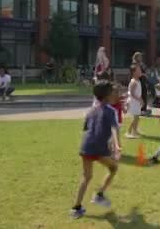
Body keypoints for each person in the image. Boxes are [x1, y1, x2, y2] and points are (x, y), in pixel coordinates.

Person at [70, 81, 121, 219]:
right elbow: (114, 129)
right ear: (106, 96)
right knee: (114, 168)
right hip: (98, 148)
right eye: (112, 92)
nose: (114, 94)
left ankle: (76, 208)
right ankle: (99, 195)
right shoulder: (111, 111)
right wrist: (116, 146)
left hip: (86, 146)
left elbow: (85, 128)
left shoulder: (91, 110)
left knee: (86, 177)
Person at [125, 64, 143, 139]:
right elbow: (132, 93)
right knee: (135, 118)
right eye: (138, 70)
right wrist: (139, 99)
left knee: (137, 117)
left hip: (136, 101)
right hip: (133, 102)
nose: (140, 71)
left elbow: (138, 92)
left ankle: (133, 130)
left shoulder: (138, 81)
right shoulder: (134, 82)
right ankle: (131, 132)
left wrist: (141, 99)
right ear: (134, 72)